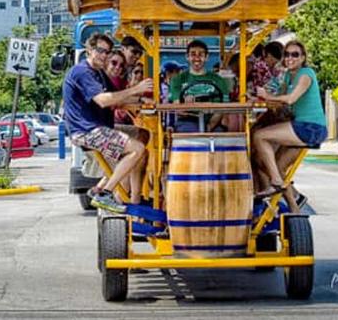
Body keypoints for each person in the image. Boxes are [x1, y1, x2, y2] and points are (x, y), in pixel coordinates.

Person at [62, 33, 153, 213]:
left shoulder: (98, 74)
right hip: (87, 131)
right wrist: (137, 88)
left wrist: (145, 102)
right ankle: (104, 192)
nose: (104, 55)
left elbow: (118, 100)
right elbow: (104, 100)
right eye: (100, 51)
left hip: (100, 128)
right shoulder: (83, 72)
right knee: (137, 149)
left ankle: (131, 195)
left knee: (143, 134)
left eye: (107, 52)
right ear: (89, 50)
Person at [251, 40, 327, 206]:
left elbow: (291, 99)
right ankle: (295, 208)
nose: (290, 58)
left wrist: (267, 97)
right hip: (300, 125)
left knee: (259, 136)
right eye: (287, 54)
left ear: (303, 58)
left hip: (311, 128)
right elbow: (277, 93)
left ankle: (276, 183)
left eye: (295, 54)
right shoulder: (287, 76)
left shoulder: (306, 74)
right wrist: (258, 96)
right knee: (273, 165)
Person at [169, 40, 231, 133]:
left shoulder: (218, 80)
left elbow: (223, 108)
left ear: (206, 57)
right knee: (190, 130)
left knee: (224, 137)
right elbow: (179, 109)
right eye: (193, 54)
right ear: (187, 57)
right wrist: (186, 107)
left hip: (214, 121)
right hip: (187, 121)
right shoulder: (177, 80)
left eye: (201, 54)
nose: (197, 58)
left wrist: (210, 126)